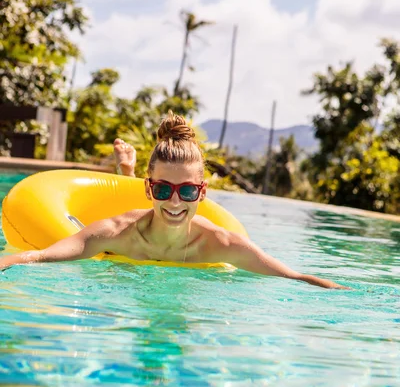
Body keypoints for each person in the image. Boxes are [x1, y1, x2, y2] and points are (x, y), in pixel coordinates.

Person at [0, 111, 347, 289]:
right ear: (150, 190)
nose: (176, 202)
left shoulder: (219, 243)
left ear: (202, 192)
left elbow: (293, 277)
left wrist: (340, 289)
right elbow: (40, 255)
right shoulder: (117, 233)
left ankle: (127, 170)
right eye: (164, 189)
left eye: (188, 191)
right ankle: (127, 173)